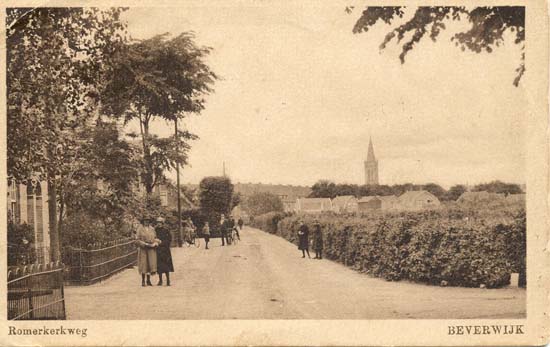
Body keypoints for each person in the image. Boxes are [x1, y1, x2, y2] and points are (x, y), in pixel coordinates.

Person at [134, 217, 159, 286]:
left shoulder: (152, 229)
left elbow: (155, 237)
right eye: (145, 221)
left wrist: (156, 242)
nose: (146, 222)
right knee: (143, 264)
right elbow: (137, 240)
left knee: (150, 264)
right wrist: (145, 244)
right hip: (143, 249)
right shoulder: (140, 229)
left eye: (148, 221)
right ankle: (143, 281)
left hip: (151, 249)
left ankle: (148, 280)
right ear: (143, 221)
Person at [155, 216, 174, 286]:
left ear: (163, 223)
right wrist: (156, 242)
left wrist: (162, 243)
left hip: (165, 250)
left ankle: (168, 280)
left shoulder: (166, 230)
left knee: (166, 266)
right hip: (158, 250)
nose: (159, 224)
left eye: (160, 223)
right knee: (159, 265)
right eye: (158, 223)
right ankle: (160, 280)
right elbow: (153, 237)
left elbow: (169, 239)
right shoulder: (155, 230)